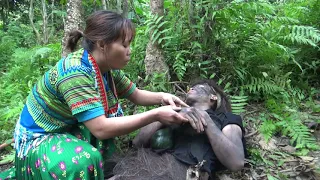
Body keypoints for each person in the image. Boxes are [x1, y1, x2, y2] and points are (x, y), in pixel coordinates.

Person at [0, 10, 194, 180]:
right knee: (82, 160)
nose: (129, 51)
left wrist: (163, 97)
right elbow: (101, 128)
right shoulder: (75, 72)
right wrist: (156, 114)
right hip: (39, 138)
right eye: (125, 45)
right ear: (103, 44)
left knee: (109, 136)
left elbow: (135, 95)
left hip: (65, 128)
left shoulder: (106, 68)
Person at [112, 79, 247, 180]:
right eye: (190, 87)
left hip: (183, 172)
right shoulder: (172, 113)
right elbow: (137, 143)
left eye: (198, 86)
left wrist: (206, 121)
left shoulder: (226, 119)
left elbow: (236, 162)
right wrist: (163, 114)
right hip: (143, 166)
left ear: (213, 97)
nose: (191, 88)